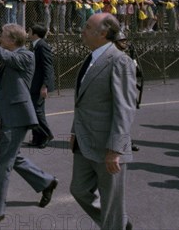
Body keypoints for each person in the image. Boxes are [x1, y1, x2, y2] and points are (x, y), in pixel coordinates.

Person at [0, 11, 58, 226]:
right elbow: (3, 90)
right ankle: (46, 182)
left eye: (2, 36)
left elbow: (1, 54)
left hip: (18, 118)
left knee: (3, 165)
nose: (0, 39)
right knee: (13, 158)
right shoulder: (12, 58)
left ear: (12, 39)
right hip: (8, 116)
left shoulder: (25, 56)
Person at [70, 13, 136, 230]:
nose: (83, 30)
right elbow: (82, 101)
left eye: (88, 27)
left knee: (112, 203)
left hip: (108, 145)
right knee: (79, 190)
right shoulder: (91, 58)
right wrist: (74, 131)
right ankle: (119, 223)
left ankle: (115, 224)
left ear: (103, 33)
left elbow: (124, 108)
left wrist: (116, 149)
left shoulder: (120, 60)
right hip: (84, 141)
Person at [26, 24, 55, 148]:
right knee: (34, 111)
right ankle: (37, 137)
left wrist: (45, 85)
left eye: (29, 31)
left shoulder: (42, 46)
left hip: (39, 85)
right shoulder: (35, 45)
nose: (27, 32)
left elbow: (48, 67)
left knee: (37, 112)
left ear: (35, 33)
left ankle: (46, 134)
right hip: (34, 84)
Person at [114, 30, 143, 152]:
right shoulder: (114, 57)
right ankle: (121, 143)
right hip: (117, 93)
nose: (124, 43)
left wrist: (133, 57)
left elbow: (138, 73)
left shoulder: (127, 57)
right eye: (121, 41)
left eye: (125, 40)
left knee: (126, 119)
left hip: (127, 93)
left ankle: (126, 141)